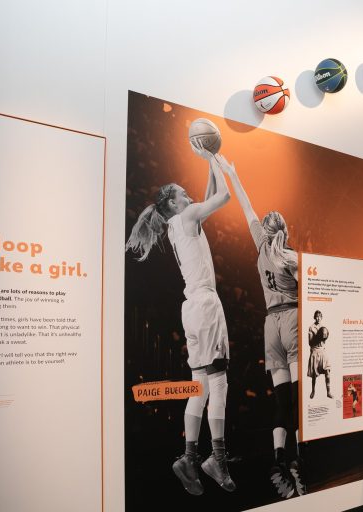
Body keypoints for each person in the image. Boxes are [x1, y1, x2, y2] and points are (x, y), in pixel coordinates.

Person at [125, 143, 235, 495]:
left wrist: (209, 162)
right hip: (204, 305)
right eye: (183, 194)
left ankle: (190, 457)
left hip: (193, 309)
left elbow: (209, 194)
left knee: (199, 385)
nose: (190, 197)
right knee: (218, 384)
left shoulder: (179, 221)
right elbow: (224, 196)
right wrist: (213, 158)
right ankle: (216, 459)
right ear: (173, 203)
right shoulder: (186, 217)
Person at [223, 161, 306, 498]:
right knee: (299, 402)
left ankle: (278, 460)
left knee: (280, 402)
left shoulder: (260, 247)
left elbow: (245, 205)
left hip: (269, 326)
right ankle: (300, 462)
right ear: (285, 229)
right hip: (292, 320)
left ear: (267, 230)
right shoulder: (292, 257)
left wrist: (233, 173)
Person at [307, 311, 332, 399]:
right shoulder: (311, 327)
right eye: (316, 316)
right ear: (314, 317)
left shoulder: (323, 327)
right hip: (315, 351)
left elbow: (325, 339)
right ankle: (313, 391)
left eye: (319, 316)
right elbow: (310, 343)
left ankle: (328, 392)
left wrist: (324, 336)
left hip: (322, 350)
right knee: (314, 374)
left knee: (327, 370)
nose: (318, 318)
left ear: (321, 317)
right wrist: (317, 337)